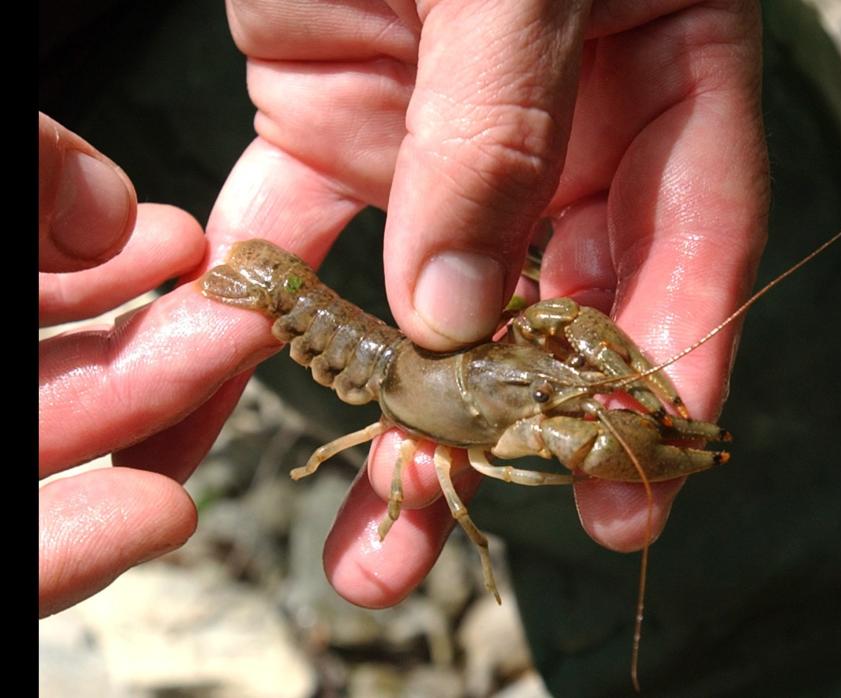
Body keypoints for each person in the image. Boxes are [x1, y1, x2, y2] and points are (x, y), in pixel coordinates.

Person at [39, 0, 768, 616]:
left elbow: (558, 326)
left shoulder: (530, 365)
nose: (557, 390)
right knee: (461, 487)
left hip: (163, 41)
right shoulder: (515, 417)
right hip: (101, 85)